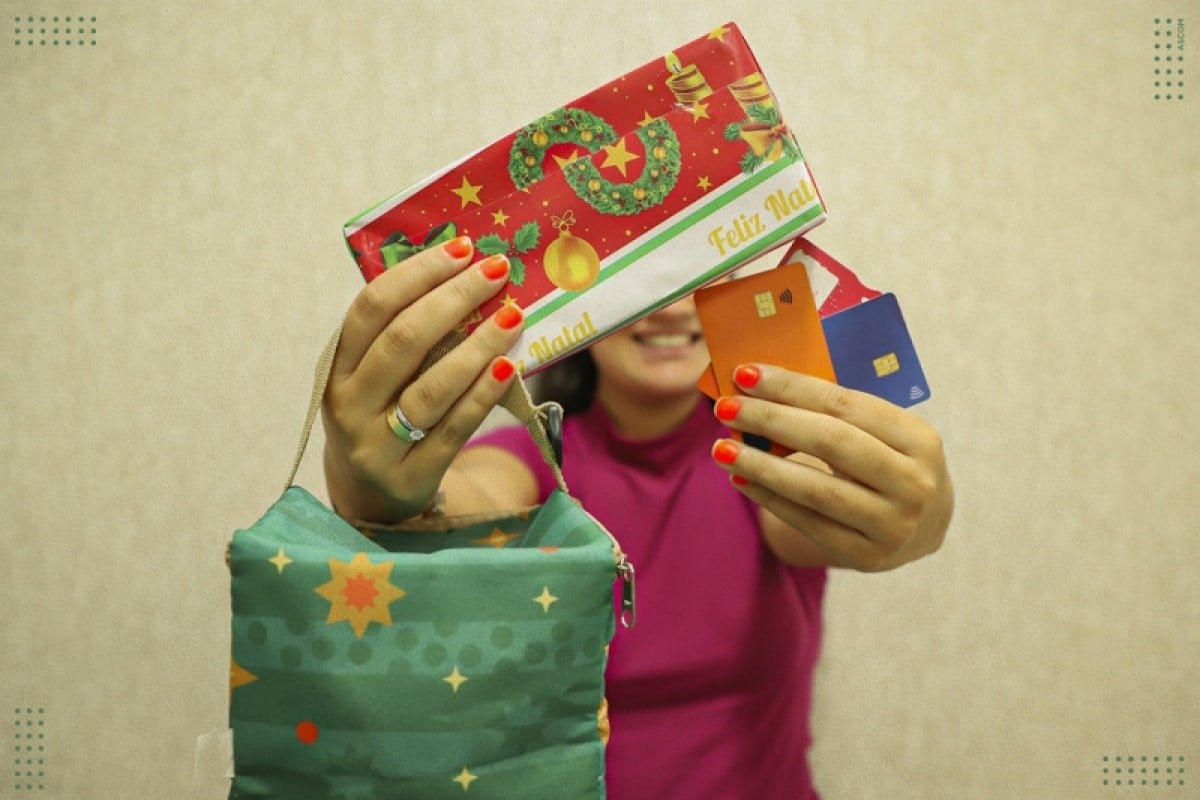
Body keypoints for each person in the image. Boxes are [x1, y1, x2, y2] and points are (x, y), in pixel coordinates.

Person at [321, 235, 954, 798]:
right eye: (642, 280)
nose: (674, 308)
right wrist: (373, 491)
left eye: (692, 276)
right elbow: (446, 502)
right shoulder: (535, 463)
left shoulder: (764, 463)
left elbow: (833, 509)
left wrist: (922, 516)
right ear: (579, 310)